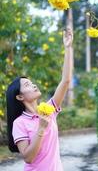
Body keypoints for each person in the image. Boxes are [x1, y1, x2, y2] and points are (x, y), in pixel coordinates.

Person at [6, 27, 73, 171]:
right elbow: (28, 158)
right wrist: (41, 128)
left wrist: (68, 48)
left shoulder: (49, 109)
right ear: (19, 96)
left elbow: (66, 81)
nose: (34, 85)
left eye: (31, 83)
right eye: (27, 85)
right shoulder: (20, 123)